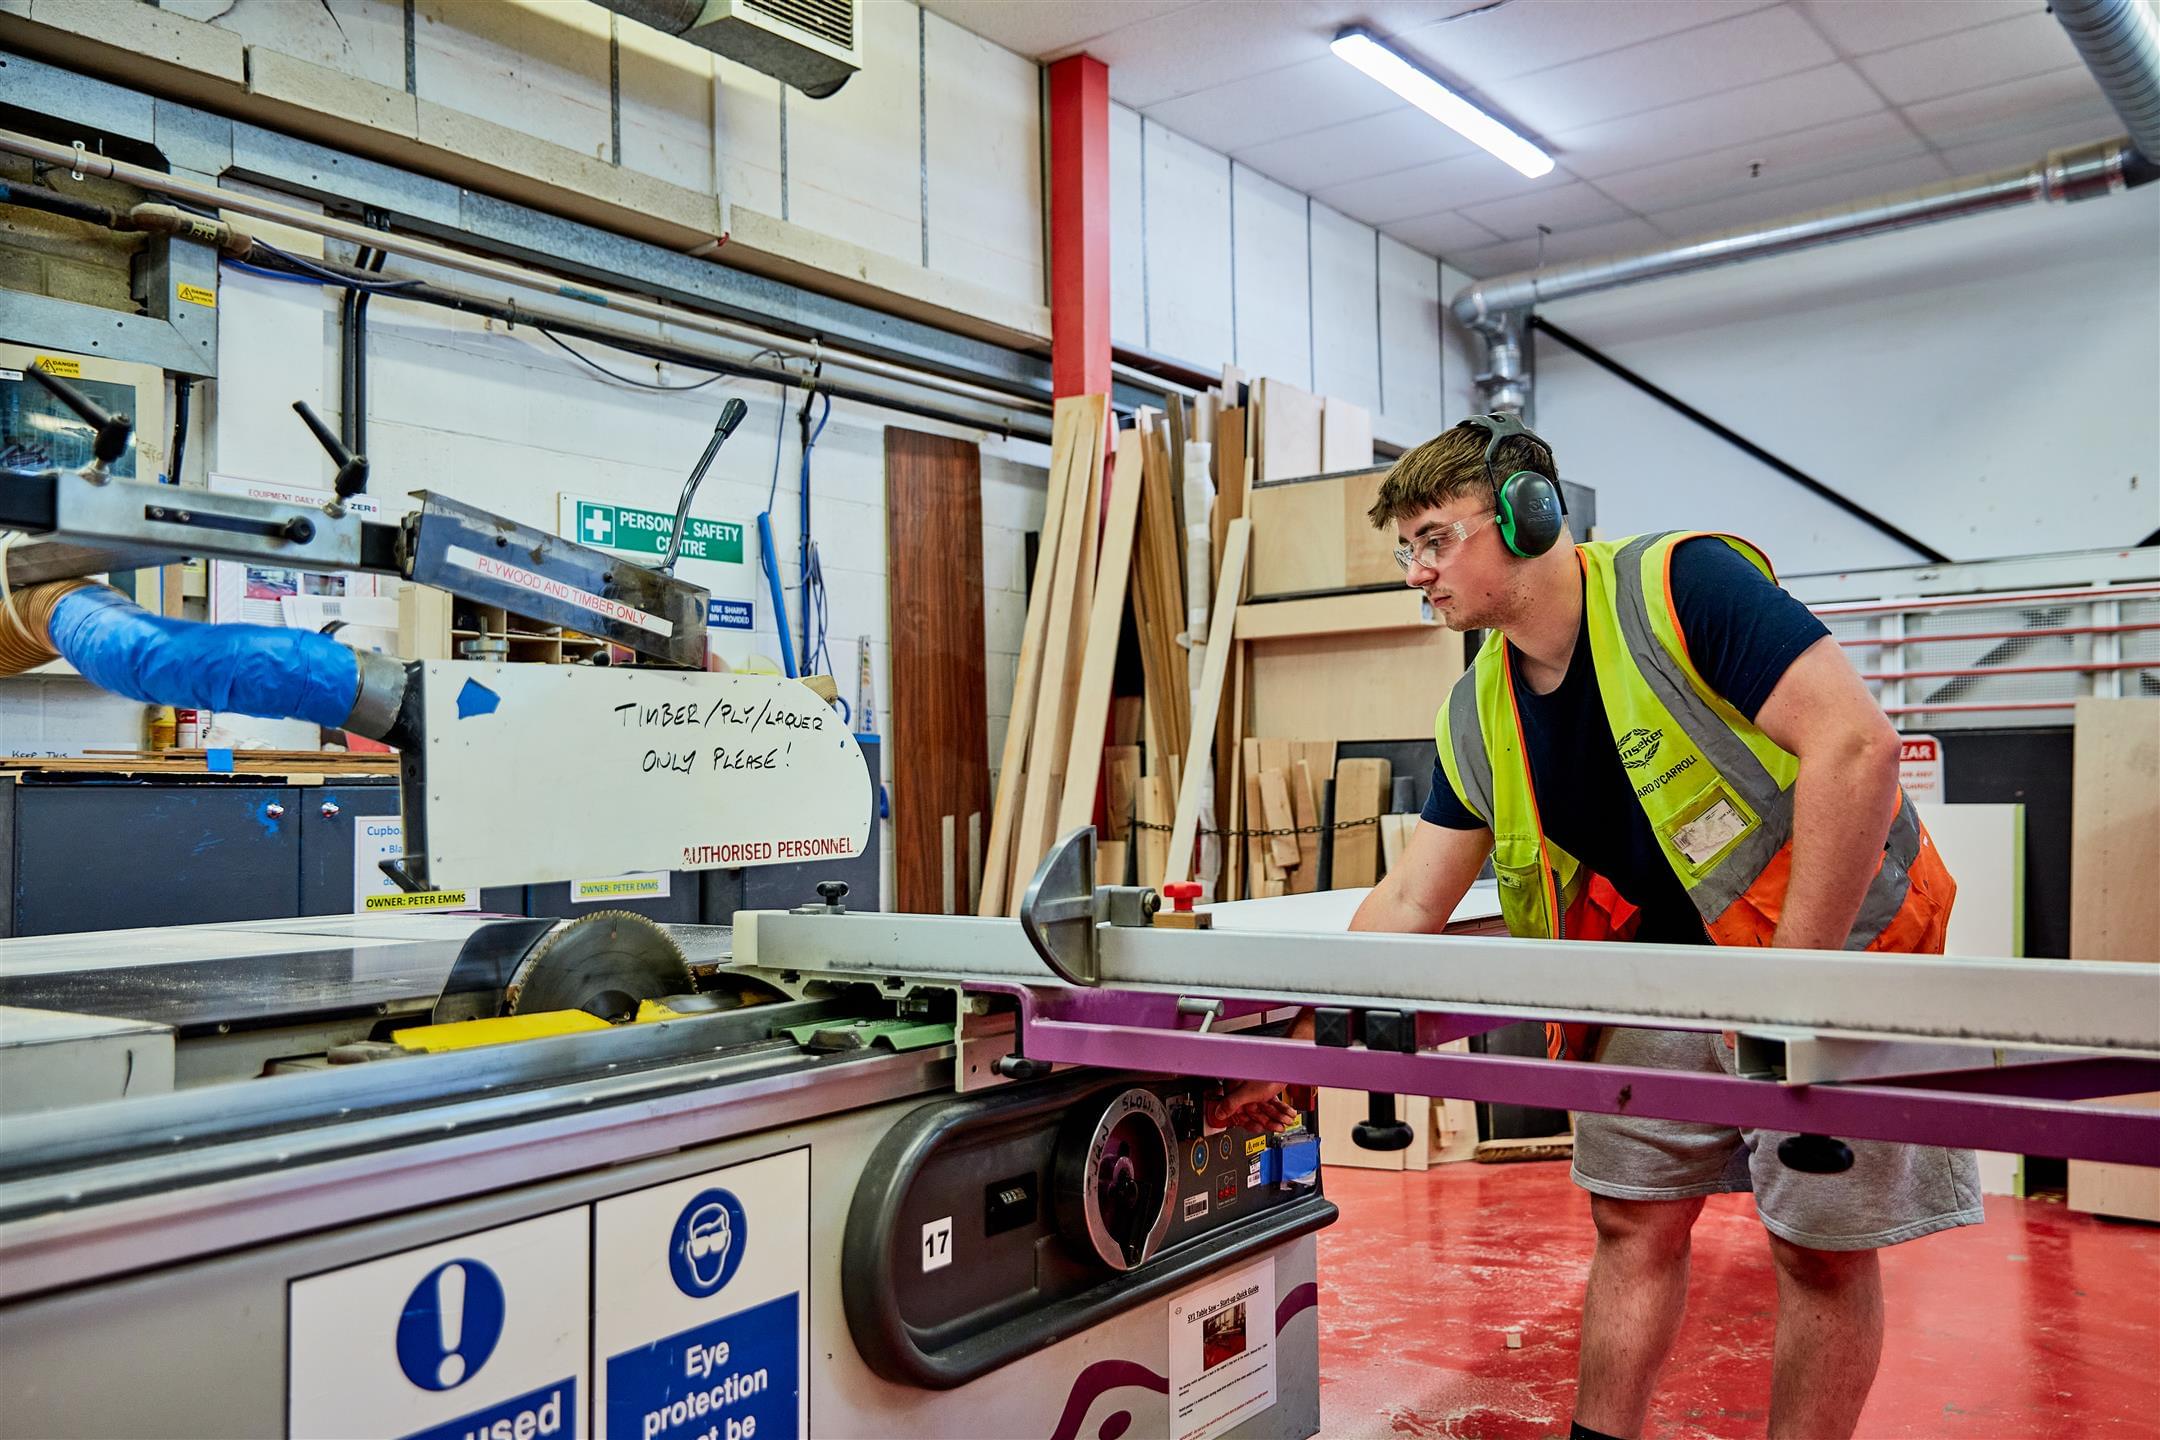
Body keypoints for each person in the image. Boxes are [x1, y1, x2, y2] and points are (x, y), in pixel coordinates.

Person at [1345, 414, 1976, 1440]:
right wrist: (1296, 1034)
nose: (1416, 571)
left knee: (1817, 1249)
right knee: (1630, 1221)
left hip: (1830, 943)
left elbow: (1856, 747)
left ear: (1528, 514)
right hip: (1663, 965)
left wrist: (1791, 991)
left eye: (1432, 537)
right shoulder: (1479, 708)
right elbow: (1412, 898)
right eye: (1403, 549)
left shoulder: (1682, 590)